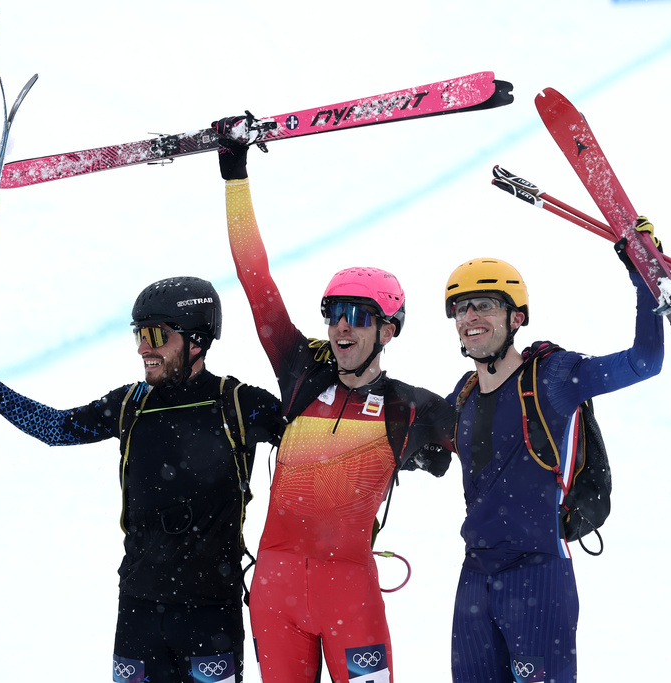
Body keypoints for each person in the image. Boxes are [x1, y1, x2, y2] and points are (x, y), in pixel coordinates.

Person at [212, 114, 456, 683]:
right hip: (273, 590)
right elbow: (255, 279)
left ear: (389, 329)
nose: (342, 328)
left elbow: (494, 439)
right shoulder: (300, 372)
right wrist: (234, 175)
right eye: (335, 315)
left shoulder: (409, 407)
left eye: (359, 317)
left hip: (349, 591)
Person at [0, 276, 281, 683]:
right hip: (139, 611)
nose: (143, 348)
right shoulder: (131, 405)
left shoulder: (239, 405)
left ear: (196, 340)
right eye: (139, 334)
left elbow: (322, 444)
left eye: (156, 334)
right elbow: (57, 428)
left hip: (209, 615)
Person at [444, 243, 665, 682]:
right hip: (475, 577)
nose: (470, 317)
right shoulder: (463, 394)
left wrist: (646, 277)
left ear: (516, 318)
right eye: (461, 308)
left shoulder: (553, 376)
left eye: (484, 305)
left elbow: (645, 362)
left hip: (539, 575)